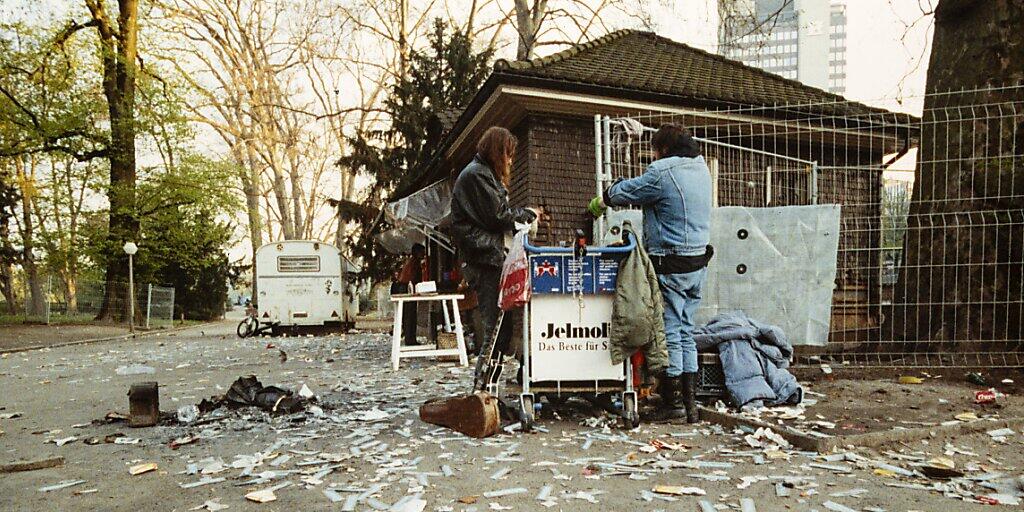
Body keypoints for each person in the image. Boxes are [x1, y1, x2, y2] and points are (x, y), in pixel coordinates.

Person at [589, 123, 713, 423]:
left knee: (668, 329)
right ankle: (691, 405)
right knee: (686, 329)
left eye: (654, 150)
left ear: (664, 149)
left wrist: (605, 196)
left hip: (670, 262)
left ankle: (672, 405)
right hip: (697, 262)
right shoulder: (701, 168)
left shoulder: (662, 172)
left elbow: (629, 191)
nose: (653, 156)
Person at [450, 126, 540, 355]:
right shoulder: (478, 174)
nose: (510, 161)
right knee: (495, 329)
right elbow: (498, 215)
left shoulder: (480, 173)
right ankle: (483, 384)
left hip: (487, 255)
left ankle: (487, 384)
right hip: (485, 257)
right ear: (497, 151)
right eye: (508, 154)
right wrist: (528, 215)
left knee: (500, 327)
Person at [395, 243, 428, 345]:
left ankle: (410, 338)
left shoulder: (413, 262)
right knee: (410, 314)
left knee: (410, 314)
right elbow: (412, 278)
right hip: (407, 287)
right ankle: (410, 339)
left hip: (406, 287)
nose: (424, 254)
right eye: (422, 252)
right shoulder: (414, 263)